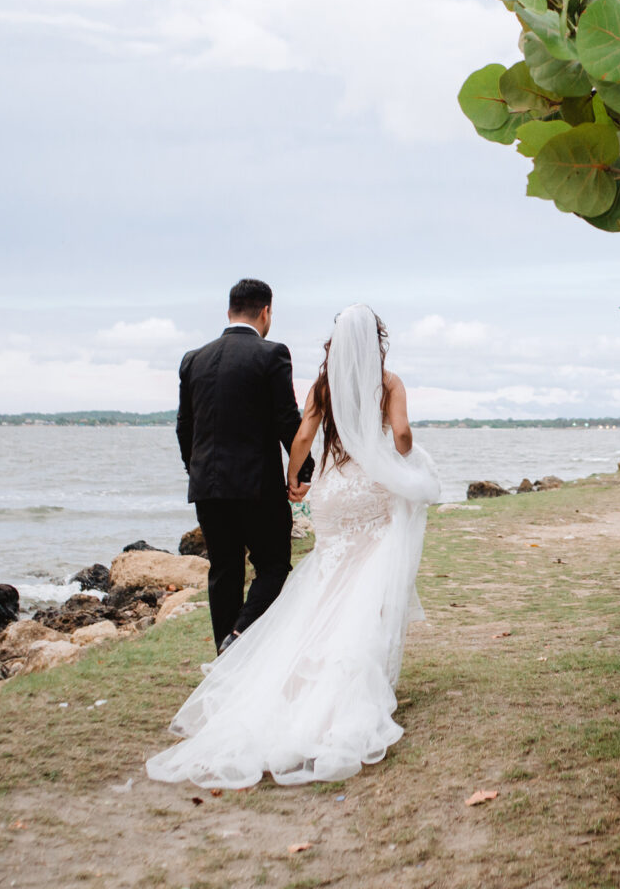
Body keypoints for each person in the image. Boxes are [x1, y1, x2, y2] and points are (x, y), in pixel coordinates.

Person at [146, 304, 440, 789]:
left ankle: (295, 670)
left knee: (326, 579)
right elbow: (403, 434)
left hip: (331, 490)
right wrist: (401, 458)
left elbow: (303, 436)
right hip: (369, 489)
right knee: (369, 581)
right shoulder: (389, 383)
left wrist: (294, 479)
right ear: (376, 341)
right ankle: (349, 680)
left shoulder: (323, 385)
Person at [175, 278, 314, 654]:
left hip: (207, 488)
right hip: (257, 487)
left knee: (224, 572)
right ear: (266, 312)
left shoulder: (193, 359)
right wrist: (302, 472)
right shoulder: (272, 354)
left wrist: (197, 471)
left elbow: (185, 427)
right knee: (273, 566)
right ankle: (238, 638)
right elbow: (287, 420)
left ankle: (225, 657)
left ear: (229, 311)